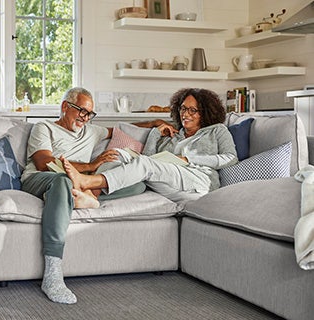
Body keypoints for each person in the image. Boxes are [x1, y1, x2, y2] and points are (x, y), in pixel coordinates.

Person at [20, 87, 165, 304]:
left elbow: (118, 130)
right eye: (81, 111)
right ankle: (52, 275)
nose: (85, 118)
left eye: (89, 114)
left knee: (138, 184)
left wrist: (153, 124)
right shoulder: (44, 128)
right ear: (65, 107)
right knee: (63, 181)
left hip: (78, 183)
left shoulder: (91, 131)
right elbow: (44, 163)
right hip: (42, 179)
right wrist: (91, 165)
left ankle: (86, 197)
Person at [61, 88, 238, 203]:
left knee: (146, 165)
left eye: (193, 110)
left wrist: (187, 158)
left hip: (198, 182)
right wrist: (154, 134)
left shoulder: (217, 130)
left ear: (205, 112)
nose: (185, 114)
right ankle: (92, 197)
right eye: (183, 109)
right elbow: (147, 159)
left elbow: (231, 158)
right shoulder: (174, 134)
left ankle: (87, 182)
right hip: (168, 181)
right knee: (117, 153)